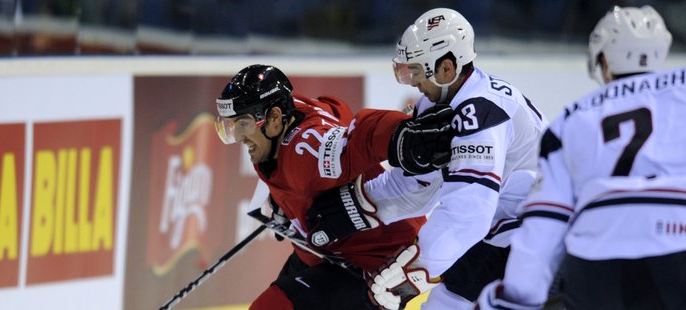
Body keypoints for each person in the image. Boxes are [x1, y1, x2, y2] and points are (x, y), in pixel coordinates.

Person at [306, 7, 547, 310]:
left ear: (447, 68)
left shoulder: (481, 112)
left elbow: (469, 210)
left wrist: (417, 271)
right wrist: (351, 205)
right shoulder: (438, 103)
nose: (412, 81)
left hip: (541, 231)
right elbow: (417, 187)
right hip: (506, 229)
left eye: (417, 71)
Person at [475, 5, 686, 310]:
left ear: (603, 60)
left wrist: (515, 299)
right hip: (676, 247)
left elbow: (545, 222)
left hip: (598, 262)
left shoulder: (571, 119)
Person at [213, 64, 426, 310]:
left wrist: (405, 132)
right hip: (332, 251)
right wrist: (285, 201)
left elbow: (363, 138)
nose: (238, 137)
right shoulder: (294, 110)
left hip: (378, 266)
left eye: (243, 125)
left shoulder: (307, 155)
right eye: (231, 127)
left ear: (272, 118)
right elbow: (338, 109)